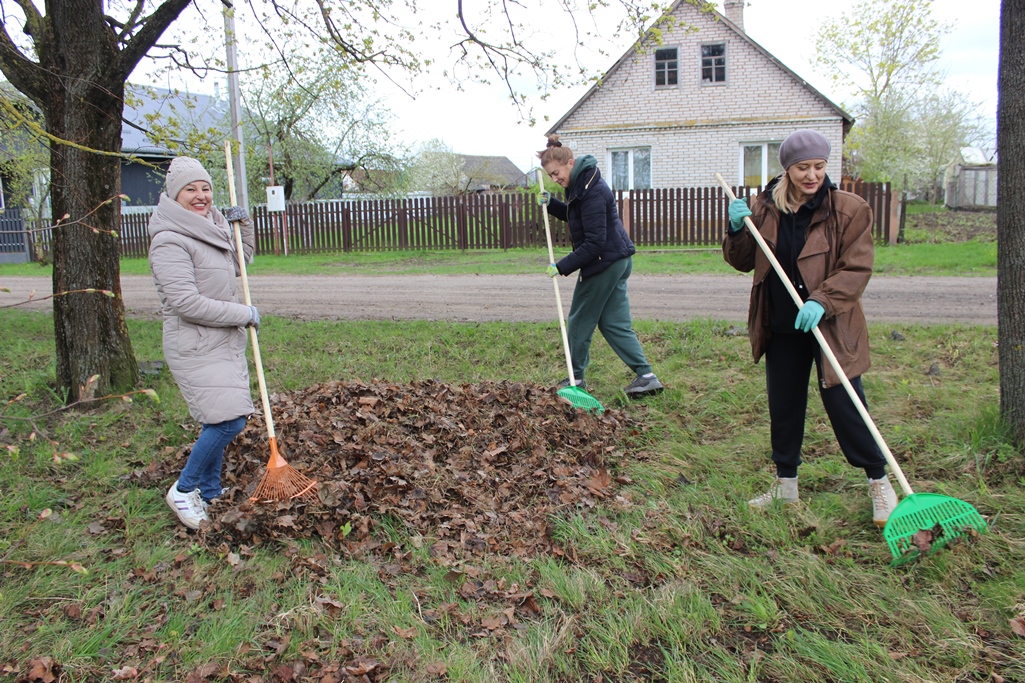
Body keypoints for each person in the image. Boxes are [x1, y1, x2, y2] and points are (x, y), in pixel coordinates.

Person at [722, 129, 898, 527]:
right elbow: (743, 261)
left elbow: (857, 268)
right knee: (784, 406)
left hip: (830, 324)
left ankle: (879, 483)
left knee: (847, 406)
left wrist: (822, 300)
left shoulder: (849, 209)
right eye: (803, 167)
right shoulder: (765, 206)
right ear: (787, 170)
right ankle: (786, 487)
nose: (812, 175)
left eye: (818, 166)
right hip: (783, 323)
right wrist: (736, 230)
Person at [148, 156, 259, 530]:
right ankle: (185, 488)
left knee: (219, 416)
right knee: (230, 420)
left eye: (206, 188)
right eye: (191, 189)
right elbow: (186, 303)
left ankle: (210, 491)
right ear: (174, 195)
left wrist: (242, 225)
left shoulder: (213, 227)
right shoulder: (169, 240)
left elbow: (239, 266)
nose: (201, 196)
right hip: (194, 343)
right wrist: (242, 314)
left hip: (220, 340)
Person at [537, 135, 663, 397]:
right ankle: (646, 376)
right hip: (617, 259)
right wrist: (552, 203)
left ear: (570, 163)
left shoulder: (592, 190)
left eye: (556, 173)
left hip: (603, 262)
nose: (554, 179)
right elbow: (577, 217)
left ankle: (576, 381)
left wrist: (562, 266)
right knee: (614, 323)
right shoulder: (582, 185)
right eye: (550, 176)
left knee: (579, 321)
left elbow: (594, 244)